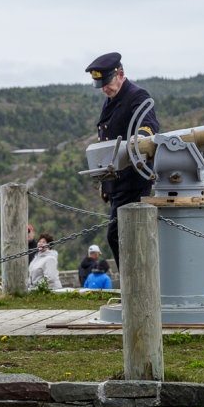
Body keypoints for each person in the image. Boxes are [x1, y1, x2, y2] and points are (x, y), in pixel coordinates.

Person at [85, 51, 160, 269]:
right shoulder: (112, 98)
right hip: (117, 181)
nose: (104, 89)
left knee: (119, 236)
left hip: (133, 179)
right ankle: (133, 287)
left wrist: (142, 138)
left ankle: (135, 286)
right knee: (120, 236)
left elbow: (148, 125)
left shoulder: (137, 96)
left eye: (107, 83)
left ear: (121, 74)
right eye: (101, 85)